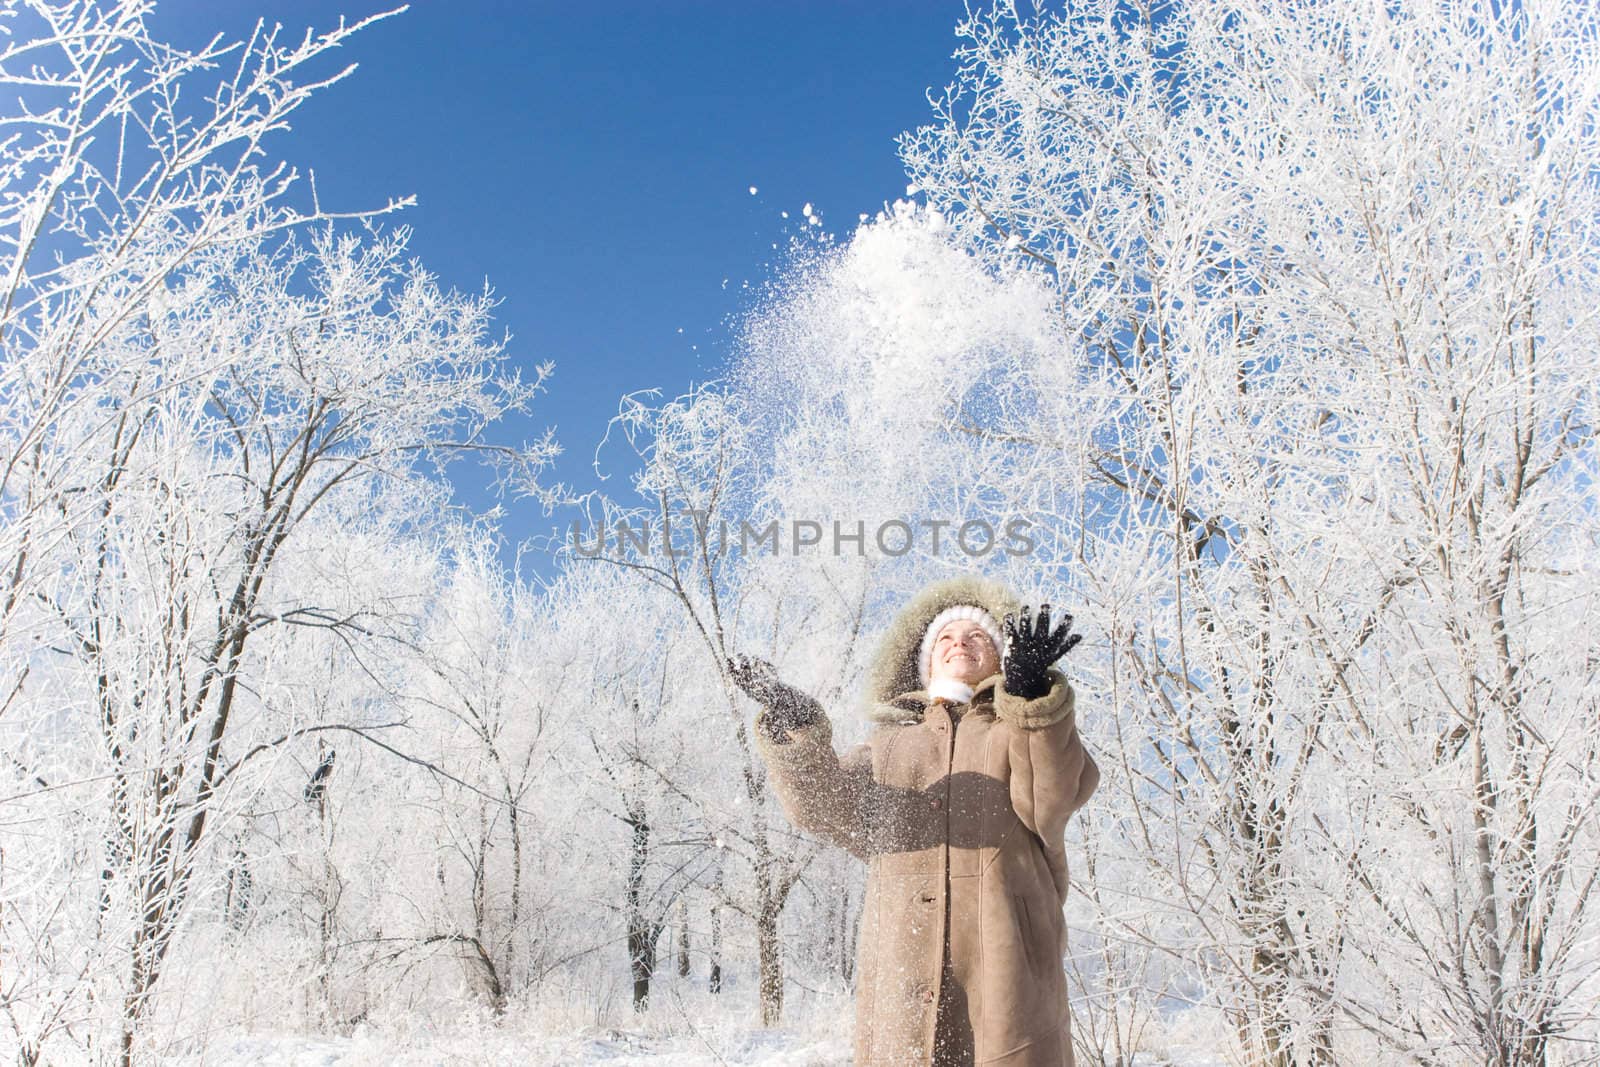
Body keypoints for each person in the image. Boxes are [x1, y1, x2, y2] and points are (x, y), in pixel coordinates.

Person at [729, 573, 1099, 1067]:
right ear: (924, 664)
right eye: (945, 637)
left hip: (1006, 975)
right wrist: (793, 721)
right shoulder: (887, 746)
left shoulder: (1016, 734)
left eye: (976, 636)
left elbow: (1054, 796)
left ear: (1001, 656)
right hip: (902, 975)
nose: (959, 643)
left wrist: (1033, 702)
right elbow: (821, 806)